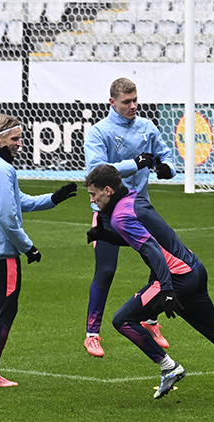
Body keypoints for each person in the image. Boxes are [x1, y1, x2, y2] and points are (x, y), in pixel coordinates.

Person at [84, 164, 214, 400]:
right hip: (194, 269)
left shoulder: (120, 216)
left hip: (176, 278)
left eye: (93, 194)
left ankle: (169, 367)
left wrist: (166, 289)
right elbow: (146, 236)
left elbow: (153, 250)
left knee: (123, 320)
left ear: (107, 190)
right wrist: (106, 236)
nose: (93, 201)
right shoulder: (134, 199)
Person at [0, 114, 77, 387]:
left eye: (20, 138)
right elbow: (8, 217)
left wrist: (52, 199)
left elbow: (16, 201)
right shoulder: (2, 169)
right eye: (15, 139)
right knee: (7, 309)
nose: (19, 144)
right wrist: (28, 247)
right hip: (1, 251)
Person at [82, 77, 175, 358]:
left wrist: (167, 167)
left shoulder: (147, 127)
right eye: (127, 102)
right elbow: (97, 170)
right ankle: (92, 334)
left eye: (135, 100)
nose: (133, 105)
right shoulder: (99, 132)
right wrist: (135, 163)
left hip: (140, 208)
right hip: (109, 212)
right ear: (112, 102)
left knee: (162, 262)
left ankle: (150, 319)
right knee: (106, 271)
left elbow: (165, 154)